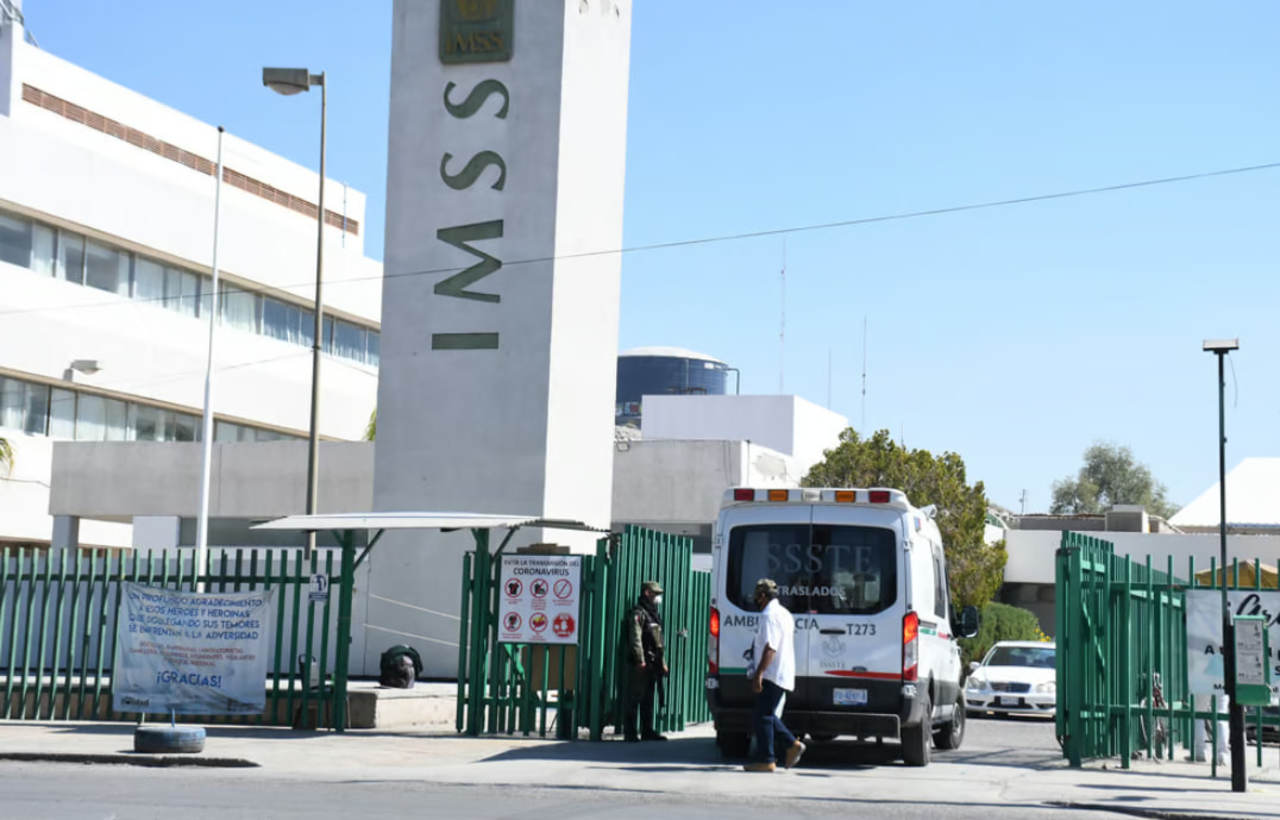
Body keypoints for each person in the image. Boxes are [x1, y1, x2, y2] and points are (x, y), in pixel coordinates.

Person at [744, 578, 805, 772]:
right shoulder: (784, 613)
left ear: (763, 596)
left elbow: (771, 648)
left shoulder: (768, 615)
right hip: (782, 671)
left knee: (762, 716)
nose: (755, 600)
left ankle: (767, 759)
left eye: (757, 596)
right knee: (766, 714)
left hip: (772, 673)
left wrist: (759, 674)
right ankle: (791, 745)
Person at [623, 580, 668, 742]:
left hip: (652, 662)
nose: (657, 598)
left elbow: (658, 641)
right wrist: (640, 659)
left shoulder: (653, 614)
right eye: (655, 594)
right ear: (647, 593)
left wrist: (662, 663)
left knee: (648, 698)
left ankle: (647, 730)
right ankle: (630, 732)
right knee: (635, 697)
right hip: (641, 663)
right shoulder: (639, 613)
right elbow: (636, 638)